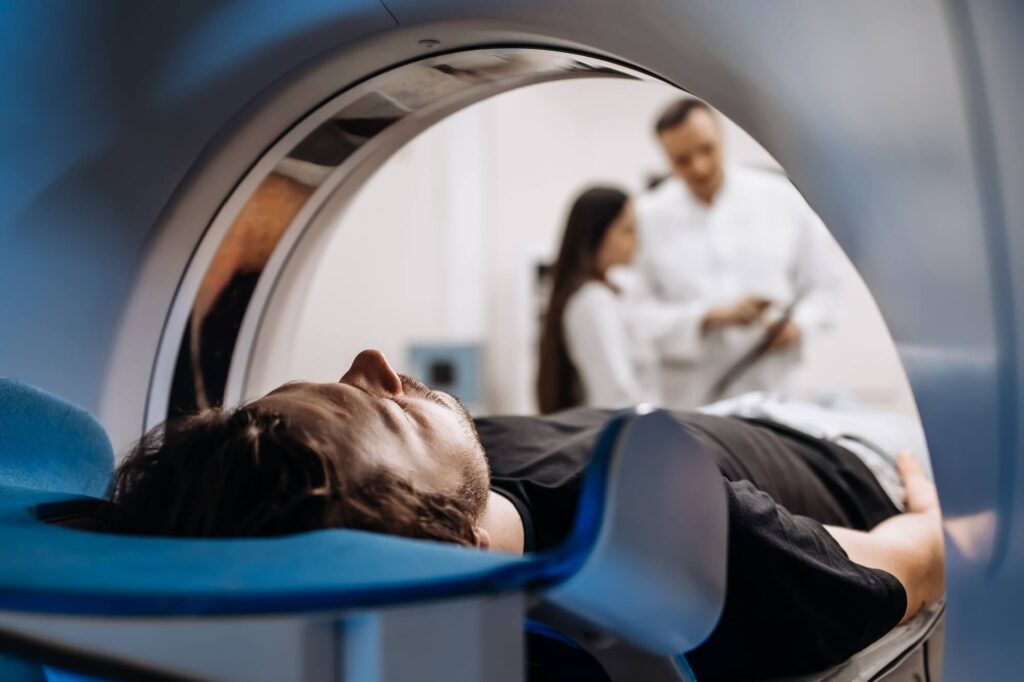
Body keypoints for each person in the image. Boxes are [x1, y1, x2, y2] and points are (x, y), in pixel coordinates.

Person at [106, 349, 945, 681]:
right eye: (390, 411)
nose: (377, 363)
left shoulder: (456, 476)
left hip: (713, 412)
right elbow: (922, 555)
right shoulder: (684, 538)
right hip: (848, 450)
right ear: (456, 545)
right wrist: (944, 499)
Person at [636, 98, 841, 409]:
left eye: (707, 149)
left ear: (722, 136)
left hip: (773, 396)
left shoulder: (781, 199)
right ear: (665, 158)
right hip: (690, 405)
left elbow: (824, 286)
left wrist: (797, 326)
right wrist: (706, 317)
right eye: (682, 160)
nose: (699, 167)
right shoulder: (646, 218)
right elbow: (635, 316)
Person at [537, 186, 661, 413]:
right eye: (628, 231)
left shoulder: (610, 295)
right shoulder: (594, 302)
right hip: (623, 435)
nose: (637, 242)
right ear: (598, 235)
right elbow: (616, 396)